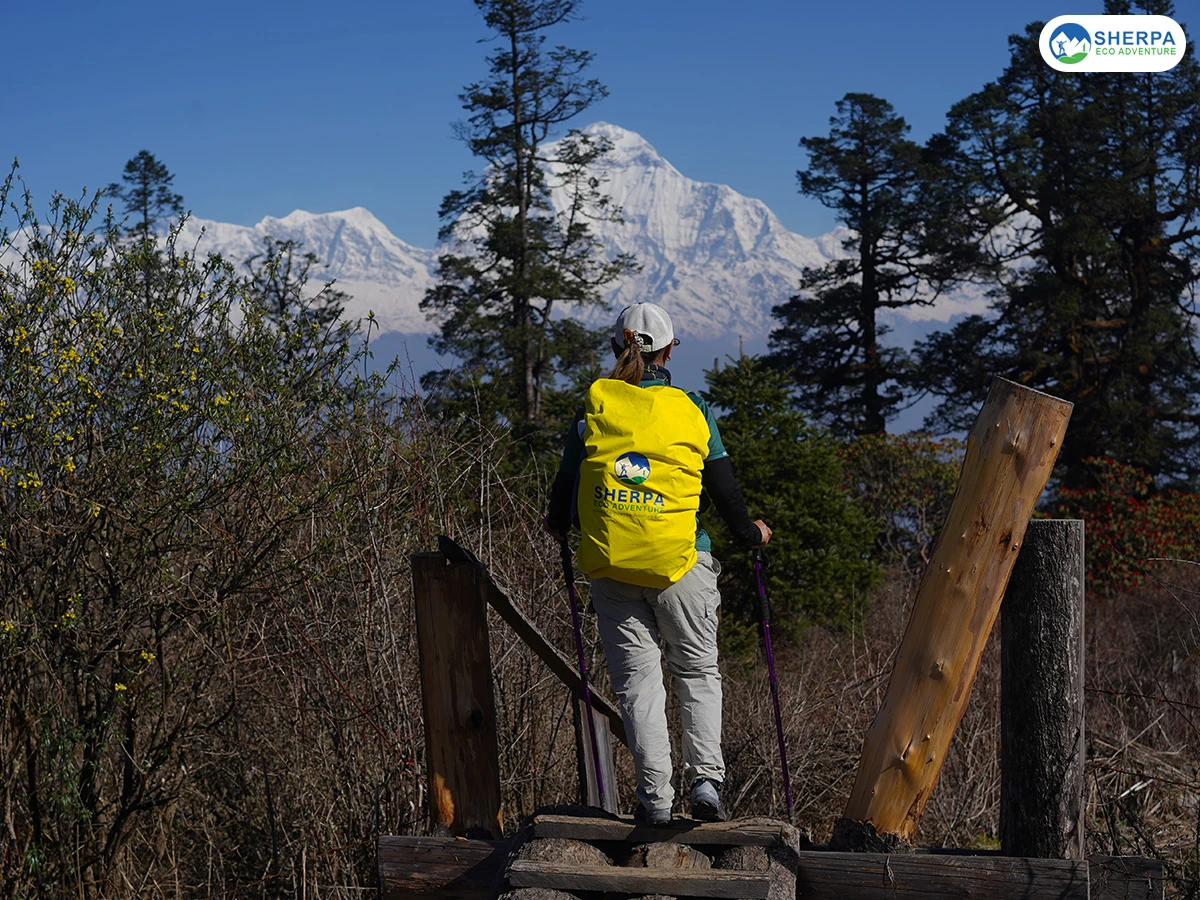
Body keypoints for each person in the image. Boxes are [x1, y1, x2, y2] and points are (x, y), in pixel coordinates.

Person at [545, 301, 771, 824]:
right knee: (696, 671)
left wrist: (563, 523)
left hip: (613, 567)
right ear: (670, 350)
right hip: (682, 565)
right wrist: (751, 534)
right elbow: (725, 491)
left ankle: (656, 802)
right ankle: (706, 785)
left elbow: (563, 494)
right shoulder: (693, 408)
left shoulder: (592, 408)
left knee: (638, 686)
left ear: (615, 347)